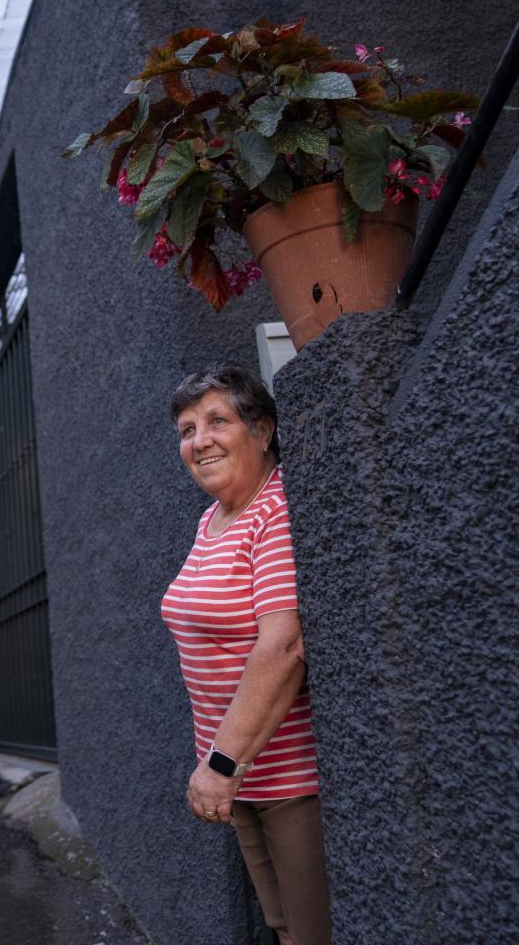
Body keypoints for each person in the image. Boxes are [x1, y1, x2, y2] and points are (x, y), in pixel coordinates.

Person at [162, 364, 332, 945]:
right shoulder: (215, 518)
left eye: (216, 421)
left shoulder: (274, 511)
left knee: (311, 934)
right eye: (186, 429)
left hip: (285, 779)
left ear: (261, 431)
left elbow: (284, 646)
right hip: (243, 781)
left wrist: (221, 765)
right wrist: (228, 771)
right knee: (283, 929)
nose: (198, 440)